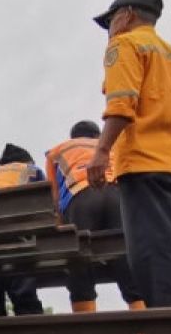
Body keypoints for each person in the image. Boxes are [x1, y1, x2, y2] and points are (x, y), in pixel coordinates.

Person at [86, 0, 171, 307]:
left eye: (111, 20)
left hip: (145, 162)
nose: (110, 29)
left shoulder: (125, 44)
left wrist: (102, 151)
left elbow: (122, 103)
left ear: (125, 15)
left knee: (154, 250)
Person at [46, 121, 144, 312]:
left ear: (73, 137)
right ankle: (143, 318)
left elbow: (54, 196)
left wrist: (60, 226)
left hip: (81, 196)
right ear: (97, 135)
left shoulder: (56, 152)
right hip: (117, 195)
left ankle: (85, 322)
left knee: (79, 261)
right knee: (126, 256)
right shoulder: (110, 146)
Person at [0, 144, 46, 317]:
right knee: (25, 300)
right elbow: (45, 205)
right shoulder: (31, 169)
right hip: (17, 238)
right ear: (27, 160)